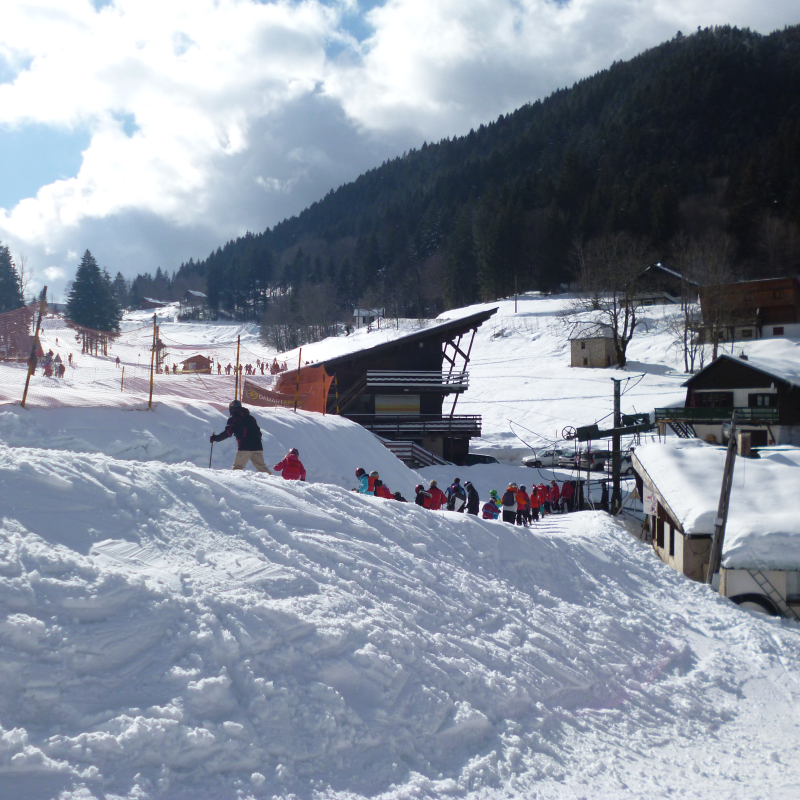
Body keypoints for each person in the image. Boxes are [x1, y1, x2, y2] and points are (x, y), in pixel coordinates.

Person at [210, 400, 272, 473]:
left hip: (245, 447)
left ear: (232, 408)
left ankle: (236, 484)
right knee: (263, 469)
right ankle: (272, 482)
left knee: (237, 468)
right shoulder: (251, 418)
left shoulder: (235, 418)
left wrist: (216, 438)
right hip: (257, 446)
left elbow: (228, 432)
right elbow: (259, 433)